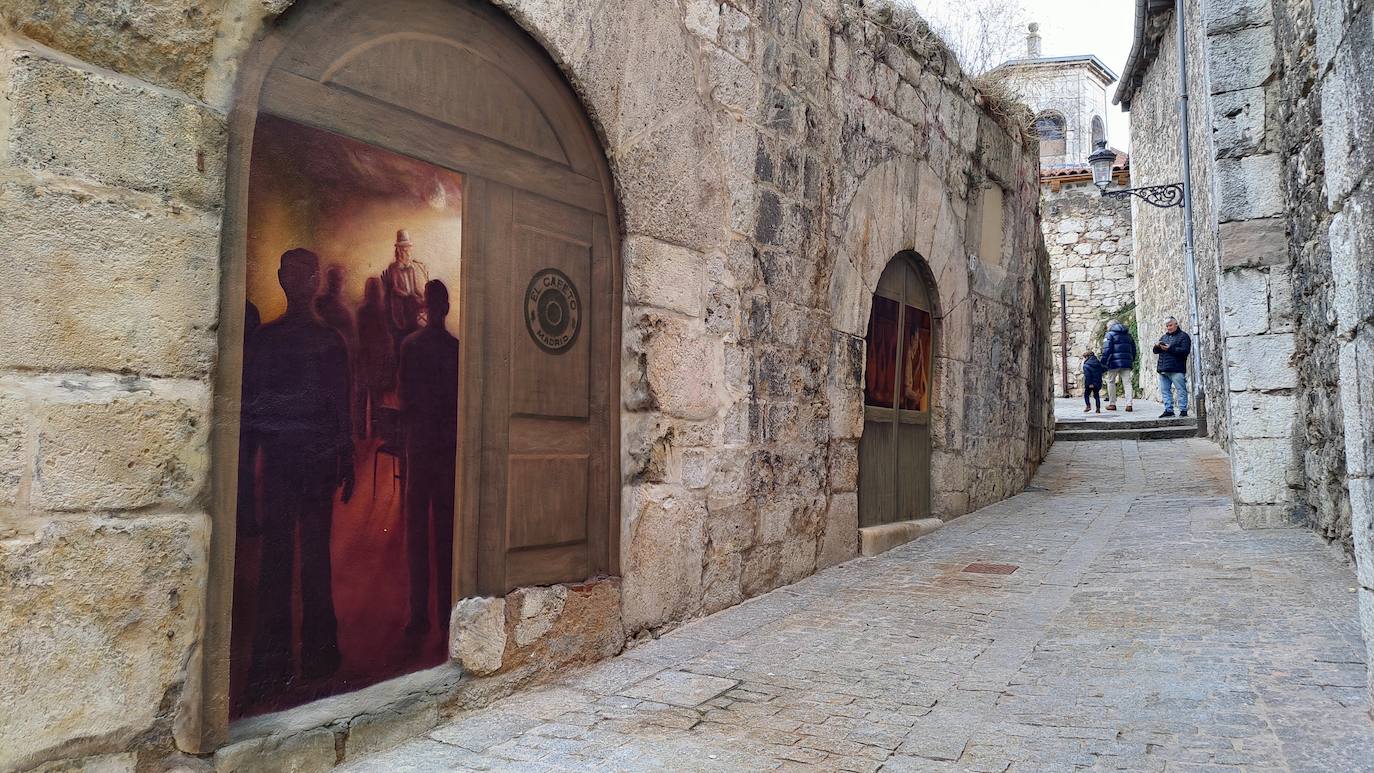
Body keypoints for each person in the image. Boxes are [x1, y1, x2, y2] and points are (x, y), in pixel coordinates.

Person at [240, 248, 354, 700]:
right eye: (291, 272)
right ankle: (283, 661)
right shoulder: (270, 342)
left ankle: (311, 656)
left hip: (311, 461)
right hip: (294, 462)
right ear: (284, 279)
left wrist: (346, 455)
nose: (298, 281)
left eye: (304, 273)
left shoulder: (326, 341)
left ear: (312, 281)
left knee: (305, 560)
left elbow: (340, 405)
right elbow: (250, 411)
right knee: (282, 561)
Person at [397, 280, 459, 637]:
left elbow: (405, 400)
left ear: (425, 305)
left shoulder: (411, 346)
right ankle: (445, 614)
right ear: (445, 307)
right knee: (445, 535)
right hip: (445, 451)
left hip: (421, 449)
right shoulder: (454, 349)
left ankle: (418, 616)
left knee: (418, 536)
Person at [356, 276, 396, 436]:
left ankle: (362, 434)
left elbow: (359, 336)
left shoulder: (362, 310)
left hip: (367, 360)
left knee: (364, 400)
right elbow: (387, 337)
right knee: (375, 400)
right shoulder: (382, 310)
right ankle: (376, 433)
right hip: (375, 360)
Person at [382, 229, 430, 348]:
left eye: (409, 249)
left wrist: (422, 296)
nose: (408, 253)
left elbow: (415, 288)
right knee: (411, 304)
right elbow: (395, 289)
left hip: (411, 301)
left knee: (422, 302)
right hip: (400, 304)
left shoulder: (412, 268)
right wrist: (409, 296)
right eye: (405, 250)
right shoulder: (393, 268)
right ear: (398, 250)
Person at [1153, 316, 1192, 418]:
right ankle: (1168, 409)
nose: (1168, 328)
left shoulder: (1184, 336)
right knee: (1165, 390)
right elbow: (1156, 351)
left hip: (1177, 368)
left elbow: (1185, 351)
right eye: (1167, 326)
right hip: (1163, 368)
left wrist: (1170, 348)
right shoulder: (1164, 337)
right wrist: (1157, 346)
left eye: (1170, 325)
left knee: (1181, 389)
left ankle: (1183, 410)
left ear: (1176, 324)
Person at [1100, 319, 1137, 412]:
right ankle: (1129, 404)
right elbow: (1134, 349)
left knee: (1111, 381)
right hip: (1126, 362)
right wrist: (1131, 359)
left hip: (1113, 362)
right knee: (1127, 383)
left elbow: (1106, 349)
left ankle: (1112, 404)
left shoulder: (1109, 334)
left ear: (1110, 326)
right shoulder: (1128, 335)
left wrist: (1103, 362)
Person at [1081, 349, 1105, 414]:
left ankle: (1088, 406)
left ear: (1087, 357)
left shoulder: (1086, 365)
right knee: (1096, 395)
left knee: (1086, 394)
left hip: (1090, 383)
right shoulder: (1098, 363)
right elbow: (1103, 369)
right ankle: (1098, 409)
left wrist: (1090, 383)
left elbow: (1088, 375)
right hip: (1097, 382)